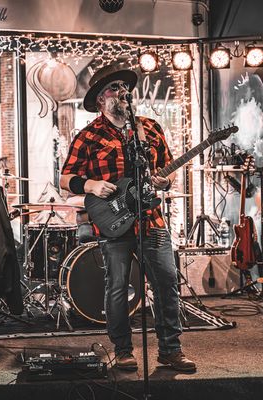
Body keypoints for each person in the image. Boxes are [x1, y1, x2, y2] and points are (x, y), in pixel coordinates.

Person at [59, 64, 196, 372]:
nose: (122, 91)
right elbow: (65, 179)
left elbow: (167, 169)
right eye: (114, 88)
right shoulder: (88, 136)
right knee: (118, 287)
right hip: (113, 222)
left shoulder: (150, 128)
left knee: (167, 283)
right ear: (100, 99)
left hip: (151, 219)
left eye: (124, 87)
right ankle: (123, 349)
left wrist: (165, 182)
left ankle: (170, 350)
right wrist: (92, 185)